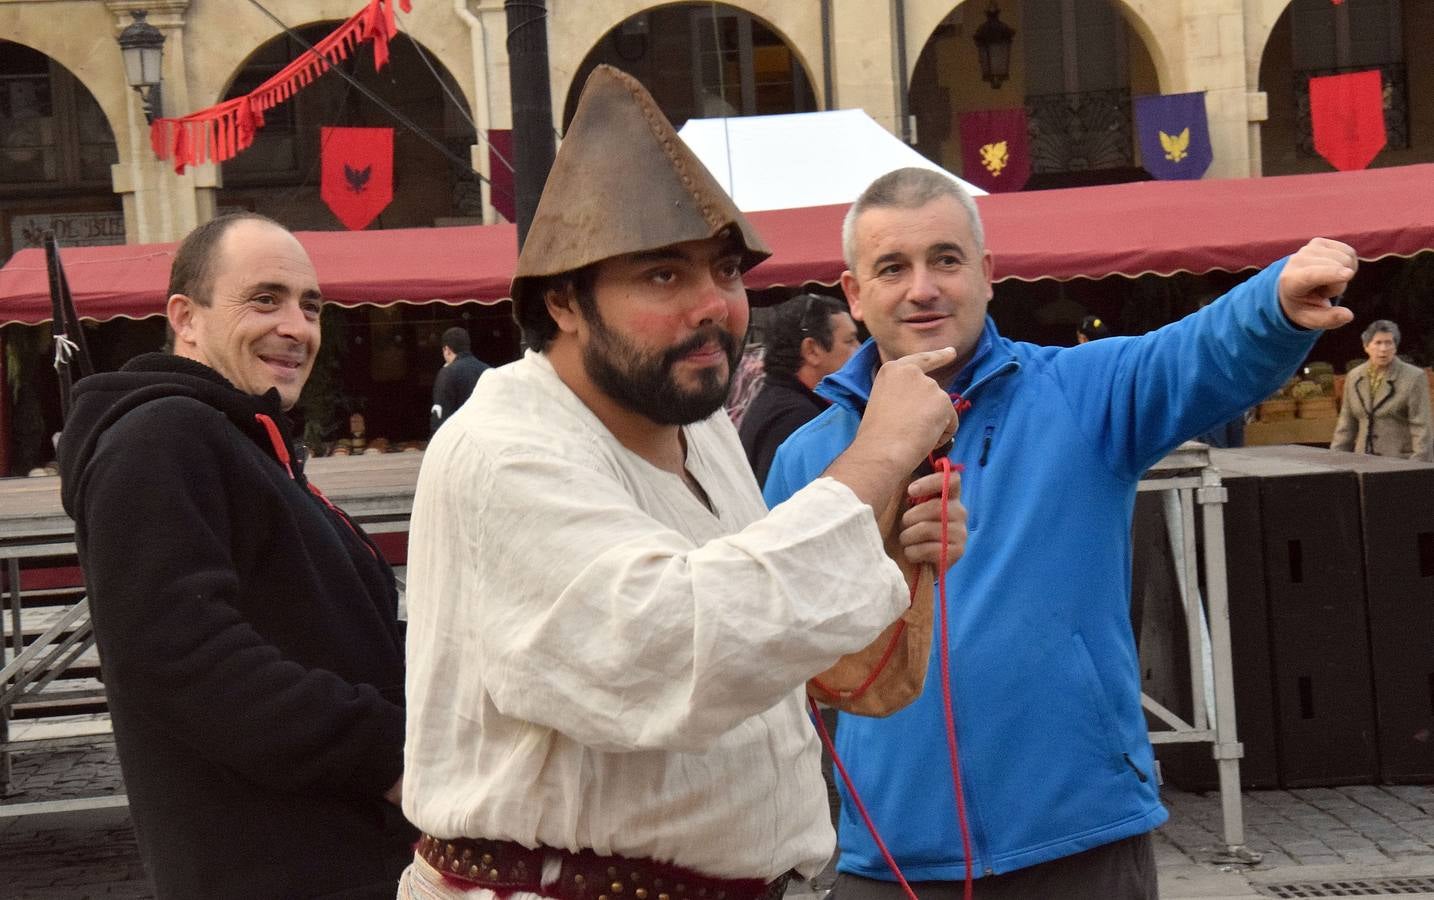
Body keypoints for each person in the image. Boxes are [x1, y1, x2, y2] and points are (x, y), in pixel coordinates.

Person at [399, 66, 966, 900]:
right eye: (664, 275)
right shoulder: (503, 445)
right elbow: (666, 651)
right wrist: (876, 455)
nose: (714, 304)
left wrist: (885, 547)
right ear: (563, 301)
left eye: (727, 271)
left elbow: (758, 645)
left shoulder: (699, 427)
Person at [764, 167, 1357, 900]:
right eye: (893, 267)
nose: (922, 287)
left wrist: (1273, 305)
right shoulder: (806, 458)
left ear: (986, 275)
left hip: (1079, 842)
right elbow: (779, 645)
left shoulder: (1079, 392)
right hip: (890, 855)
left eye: (945, 260)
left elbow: (1189, 354)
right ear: (855, 293)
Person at [56, 212, 414, 899]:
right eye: (265, 299)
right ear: (186, 318)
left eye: (310, 306)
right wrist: (390, 755)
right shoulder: (162, 436)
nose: (298, 327)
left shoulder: (241, 442)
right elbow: (178, 657)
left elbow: (335, 635)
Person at [739, 292, 861, 485]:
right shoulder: (797, 418)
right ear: (812, 350)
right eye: (850, 341)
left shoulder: (776, 401)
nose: (860, 349)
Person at [1330, 319, 1433, 460]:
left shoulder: (1414, 377)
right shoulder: (1354, 377)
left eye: (1388, 343)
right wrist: (1336, 462)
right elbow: (1346, 426)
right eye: (1378, 343)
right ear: (1366, 346)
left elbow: (1422, 428)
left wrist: (1418, 469)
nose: (1383, 349)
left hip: (1400, 464)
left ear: (1395, 347)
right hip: (1363, 463)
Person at [431, 325, 490, 433]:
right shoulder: (488, 370)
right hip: (485, 436)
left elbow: (440, 412)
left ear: (447, 349)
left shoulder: (447, 373)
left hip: (459, 437)